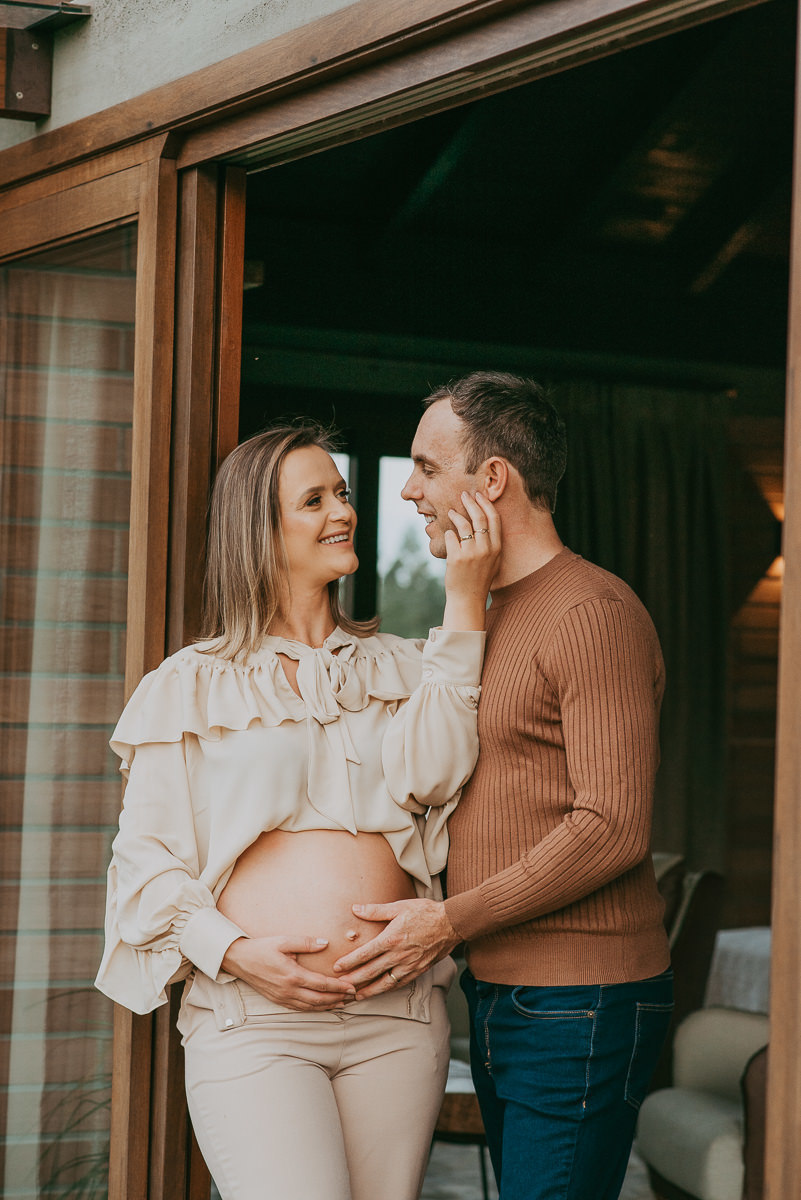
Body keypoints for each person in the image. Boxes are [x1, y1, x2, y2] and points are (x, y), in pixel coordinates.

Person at [95, 420, 501, 1200]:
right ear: (259, 531)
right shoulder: (189, 684)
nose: (341, 512)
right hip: (254, 1021)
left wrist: (463, 597)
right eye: (312, 500)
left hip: (397, 1018)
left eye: (342, 493)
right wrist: (234, 951)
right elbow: (144, 864)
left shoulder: (405, 667)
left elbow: (439, 775)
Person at [333, 372, 673, 1200]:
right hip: (508, 992)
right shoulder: (482, 608)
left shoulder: (590, 610)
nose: (408, 490)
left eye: (424, 466)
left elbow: (611, 825)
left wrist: (446, 920)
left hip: (579, 1001)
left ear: (491, 481)